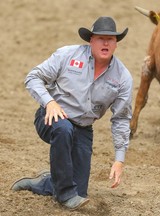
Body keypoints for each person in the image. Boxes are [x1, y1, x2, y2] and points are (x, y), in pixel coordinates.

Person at [11, 16, 133, 211]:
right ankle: (65, 194)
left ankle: (49, 181)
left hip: (84, 128)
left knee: (81, 191)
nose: (105, 42)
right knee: (63, 129)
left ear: (116, 44)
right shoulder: (67, 55)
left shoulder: (123, 77)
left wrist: (119, 159)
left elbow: (121, 119)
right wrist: (49, 102)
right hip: (51, 117)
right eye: (100, 38)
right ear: (91, 40)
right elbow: (33, 77)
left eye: (110, 39)